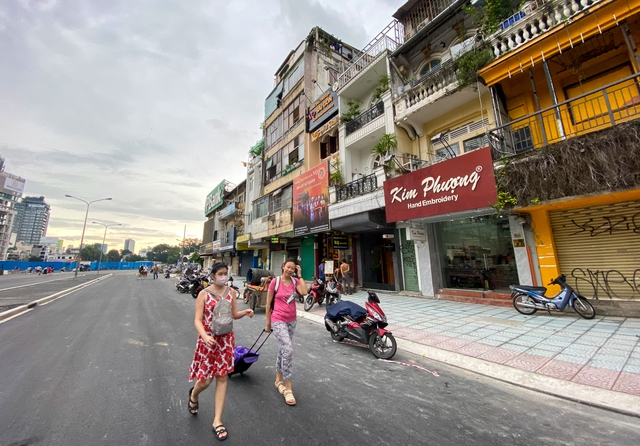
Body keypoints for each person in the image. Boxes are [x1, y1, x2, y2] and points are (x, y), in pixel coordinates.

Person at [188, 262, 254, 441]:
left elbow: (233, 315)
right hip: (208, 341)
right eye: (220, 273)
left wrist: (245, 312)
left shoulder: (231, 292)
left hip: (225, 341)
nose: (224, 276)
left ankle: (217, 420)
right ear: (213, 275)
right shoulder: (203, 294)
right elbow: (197, 320)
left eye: (226, 273)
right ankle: (194, 394)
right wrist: (204, 336)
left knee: (222, 377)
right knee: (206, 380)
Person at [265, 258, 308, 406]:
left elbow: (304, 292)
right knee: (288, 350)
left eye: (293, 268)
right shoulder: (275, 282)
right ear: (283, 267)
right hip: (277, 319)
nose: (290, 270)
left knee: (283, 349)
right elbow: (268, 303)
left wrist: (300, 275)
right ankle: (288, 386)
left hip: (291, 320)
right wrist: (268, 323)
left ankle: (278, 380)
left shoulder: (295, 282)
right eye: (288, 267)